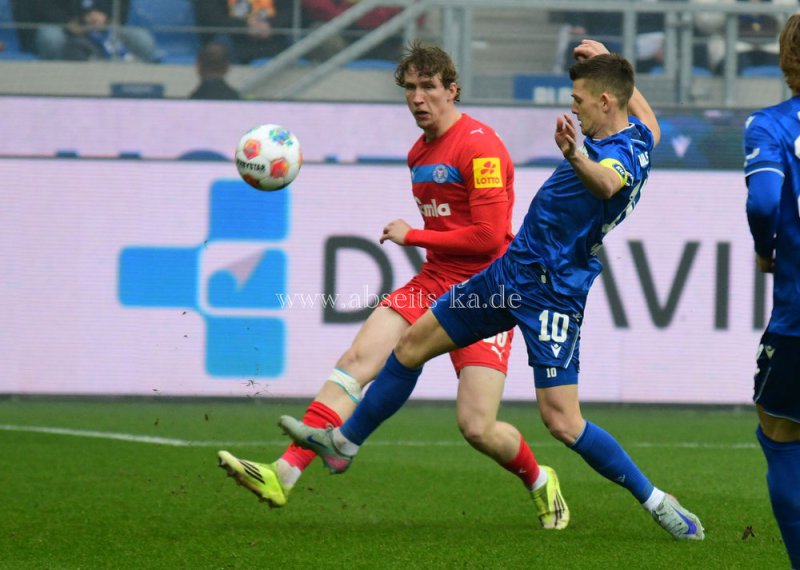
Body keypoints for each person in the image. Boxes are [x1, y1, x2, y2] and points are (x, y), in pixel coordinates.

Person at [282, 39, 707, 541]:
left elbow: (607, 186)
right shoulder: (639, 135)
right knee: (411, 344)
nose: (573, 107)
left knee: (562, 422)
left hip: (552, 294)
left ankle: (657, 502)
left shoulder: (616, 157)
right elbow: (649, 123)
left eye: (579, 100)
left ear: (604, 103)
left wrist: (575, 155)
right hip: (508, 274)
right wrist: (611, 61)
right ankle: (344, 444)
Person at [218, 40, 570, 531]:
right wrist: (425, 245)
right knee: (357, 361)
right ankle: (284, 473)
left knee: (477, 426)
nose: (418, 97)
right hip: (434, 280)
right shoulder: (418, 153)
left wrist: (414, 234)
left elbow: (490, 238)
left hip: (489, 290)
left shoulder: (480, 146)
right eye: (410, 88)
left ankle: (539, 479)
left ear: (453, 90)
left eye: (429, 87)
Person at [743, 14, 800, 568]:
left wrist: (768, 247)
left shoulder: (771, 125)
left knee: (780, 431)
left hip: (798, 318)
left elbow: (763, 203)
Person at [19, 0, 156, 61]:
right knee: (49, 37)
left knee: (143, 41)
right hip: (65, 30)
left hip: (104, 31)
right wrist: (68, 22)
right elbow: (42, 5)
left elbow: (121, 5)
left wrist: (107, 18)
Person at [300, 0, 407, 62]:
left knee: (417, 44)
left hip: (385, 37)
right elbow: (315, 5)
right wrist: (350, 13)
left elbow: (415, 15)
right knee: (319, 32)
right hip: (340, 34)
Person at [193, 0, 293, 64]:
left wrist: (270, 25)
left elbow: (290, 12)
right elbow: (210, 17)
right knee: (217, 48)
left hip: (271, 37)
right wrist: (245, 26)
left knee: (296, 41)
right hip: (233, 38)